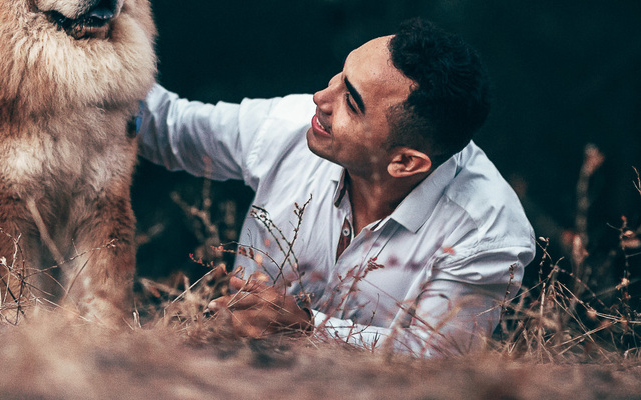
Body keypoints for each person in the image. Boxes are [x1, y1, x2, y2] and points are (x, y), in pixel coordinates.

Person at [139, 18, 535, 356]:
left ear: (405, 162)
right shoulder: (290, 125)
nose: (320, 98)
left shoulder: (487, 231)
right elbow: (166, 126)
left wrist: (309, 330)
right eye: (341, 76)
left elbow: (439, 356)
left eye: (352, 102)